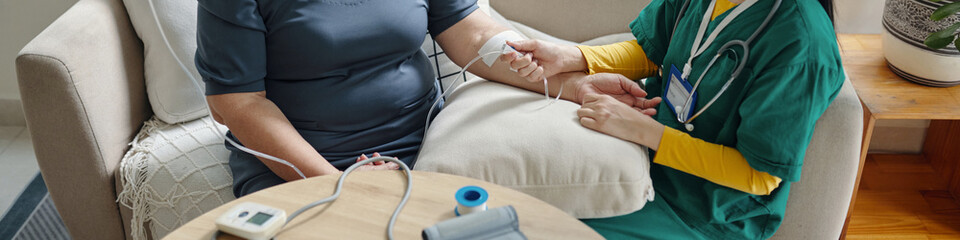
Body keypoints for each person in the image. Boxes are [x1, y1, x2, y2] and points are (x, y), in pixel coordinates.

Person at [195, 0, 647, 198]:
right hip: (306, 162)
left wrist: (571, 84)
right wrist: (335, 183)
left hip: (431, 141)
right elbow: (236, 102)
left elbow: (472, 35)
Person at [502, 0, 843, 239]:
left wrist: (645, 131)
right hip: (641, 158)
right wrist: (571, 56)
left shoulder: (802, 45)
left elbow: (759, 176)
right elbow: (651, 50)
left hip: (705, 212)